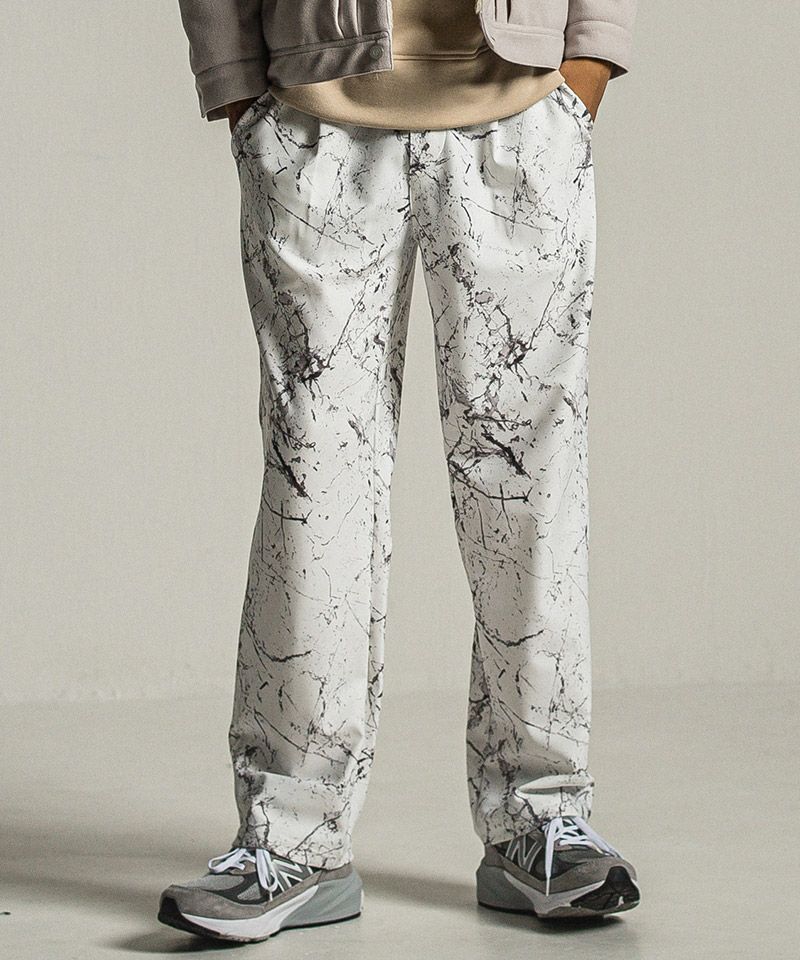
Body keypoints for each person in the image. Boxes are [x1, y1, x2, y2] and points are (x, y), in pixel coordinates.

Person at [159, 0, 640, 942]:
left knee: (529, 479)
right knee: (314, 484)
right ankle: (291, 840)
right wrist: (238, 90)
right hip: (314, 120)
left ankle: (543, 818)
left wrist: (588, 65)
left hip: (522, 119)